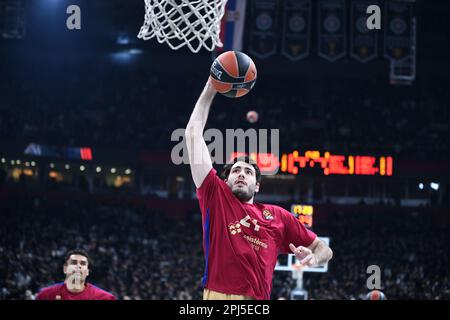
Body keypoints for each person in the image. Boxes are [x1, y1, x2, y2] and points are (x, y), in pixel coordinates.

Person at [185, 78, 333, 300]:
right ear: (226, 182)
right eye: (235, 171)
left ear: (257, 186)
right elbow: (192, 135)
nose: (242, 174)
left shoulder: (279, 216)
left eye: (248, 172)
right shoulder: (216, 196)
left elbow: (325, 250)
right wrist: (210, 88)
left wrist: (314, 258)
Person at [36, 249, 116, 300]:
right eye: (74, 263)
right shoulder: (45, 295)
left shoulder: (105, 298)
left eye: (83, 263)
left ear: (87, 271)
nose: (78, 266)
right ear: (65, 269)